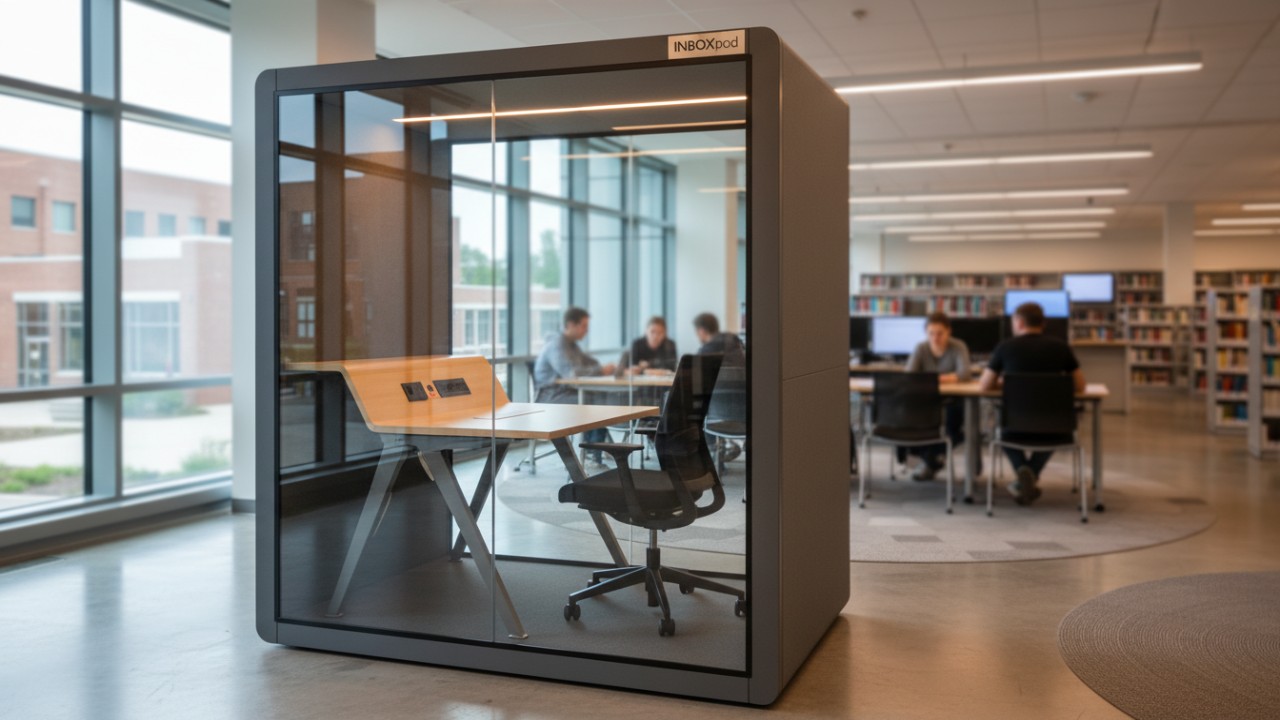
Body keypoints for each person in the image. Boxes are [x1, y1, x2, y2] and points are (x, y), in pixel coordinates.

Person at [978, 301, 1086, 505]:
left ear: (1018, 322)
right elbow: (1080, 386)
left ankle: (1022, 473)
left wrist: (1006, 383)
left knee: (1000, 431)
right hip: (1056, 428)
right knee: (1053, 431)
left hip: (1014, 427)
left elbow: (984, 386)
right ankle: (1031, 472)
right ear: (1042, 323)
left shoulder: (1005, 347)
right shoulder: (1061, 347)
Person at [534, 306, 616, 468]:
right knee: (596, 404)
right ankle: (594, 451)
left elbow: (590, 362)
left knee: (599, 400)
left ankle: (599, 447)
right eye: (584, 326)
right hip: (551, 398)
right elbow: (571, 373)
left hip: (568, 392)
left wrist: (598, 368)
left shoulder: (572, 345)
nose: (586, 331)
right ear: (571, 325)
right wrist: (600, 370)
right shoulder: (557, 345)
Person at [904, 312, 973, 481]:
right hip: (926, 400)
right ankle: (933, 460)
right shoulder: (921, 347)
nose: (935, 338)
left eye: (940, 333)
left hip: (953, 399)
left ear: (949, 331)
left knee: (954, 427)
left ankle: (930, 461)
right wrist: (948, 377)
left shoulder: (958, 346)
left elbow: (964, 374)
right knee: (911, 421)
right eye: (931, 333)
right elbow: (909, 375)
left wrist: (934, 378)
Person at [694, 312, 745, 462]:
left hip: (714, 419)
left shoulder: (704, 353)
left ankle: (712, 448)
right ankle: (721, 447)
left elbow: (695, 385)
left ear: (702, 331)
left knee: (695, 403)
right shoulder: (739, 348)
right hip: (744, 415)